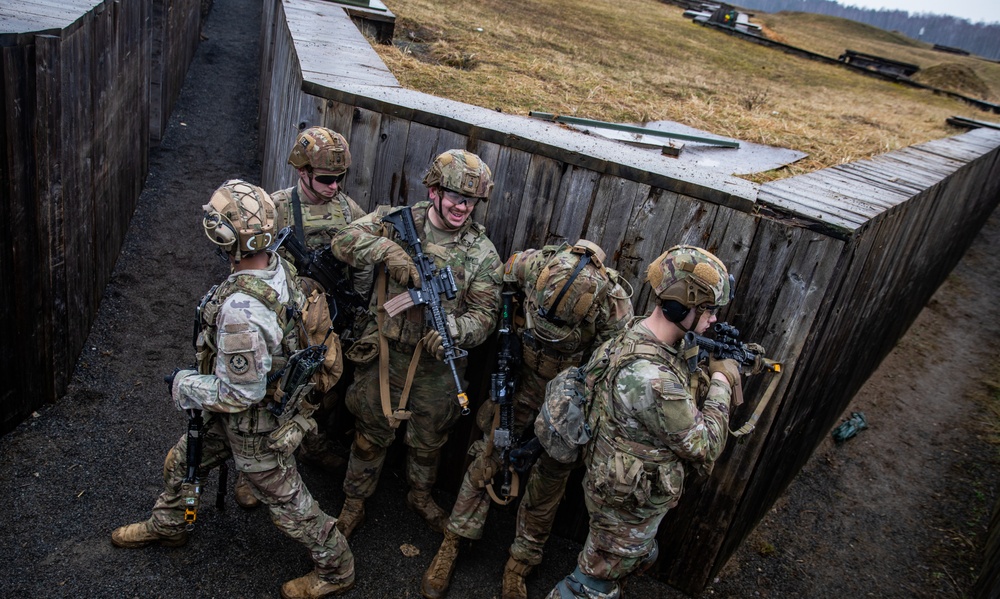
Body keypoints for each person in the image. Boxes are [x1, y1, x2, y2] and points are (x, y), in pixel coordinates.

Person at [110, 180, 355, 599]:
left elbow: (241, 392)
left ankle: (337, 569)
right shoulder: (277, 264)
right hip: (233, 415)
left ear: (225, 238)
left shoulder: (242, 311)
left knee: (292, 508)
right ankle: (169, 526)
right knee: (180, 461)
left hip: (254, 427)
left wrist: (184, 384)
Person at [420, 241, 634, 599]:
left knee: (547, 483)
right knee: (487, 458)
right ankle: (453, 540)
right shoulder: (533, 265)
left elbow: (607, 370)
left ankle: (520, 563)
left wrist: (543, 440)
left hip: (571, 396)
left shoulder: (614, 307)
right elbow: (505, 278)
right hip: (522, 382)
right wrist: (510, 334)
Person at [545, 245, 743, 599]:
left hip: (622, 487)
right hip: (626, 507)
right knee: (593, 582)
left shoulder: (636, 330)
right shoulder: (651, 377)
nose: (713, 319)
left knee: (627, 559)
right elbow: (705, 444)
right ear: (679, 305)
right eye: (707, 309)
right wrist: (722, 382)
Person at [328, 149, 503, 540]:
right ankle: (354, 502)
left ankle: (419, 496)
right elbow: (343, 241)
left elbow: (487, 316)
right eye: (456, 196)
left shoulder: (482, 253)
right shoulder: (396, 222)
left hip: (436, 367)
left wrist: (455, 330)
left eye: (471, 200)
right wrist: (387, 251)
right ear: (435, 190)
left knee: (429, 441)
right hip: (385, 352)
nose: (462, 206)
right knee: (369, 434)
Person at [231, 126, 371, 509]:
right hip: (282, 321)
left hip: (327, 319)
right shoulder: (276, 209)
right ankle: (252, 471)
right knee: (270, 392)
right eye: (326, 179)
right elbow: (245, 266)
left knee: (321, 390)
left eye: (340, 178)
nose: (334, 187)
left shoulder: (348, 210)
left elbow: (362, 258)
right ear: (302, 171)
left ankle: (310, 446)